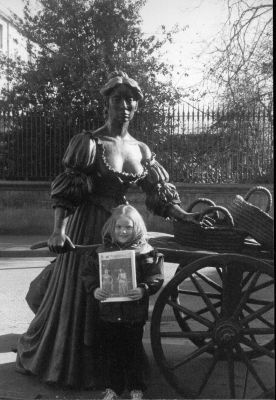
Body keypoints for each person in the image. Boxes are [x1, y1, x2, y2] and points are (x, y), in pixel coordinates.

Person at [16, 70, 200, 388]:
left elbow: (157, 194)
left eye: (131, 100)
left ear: (137, 106)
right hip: (87, 227)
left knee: (119, 296)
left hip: (121, 229)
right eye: (118, 99)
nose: (125, 105)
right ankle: (74, 367)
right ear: (107, 104)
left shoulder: (141, 150)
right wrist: (59, 230)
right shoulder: (89, 142)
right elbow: (69, 188)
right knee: (84, 293)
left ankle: (118, 367)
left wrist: (182, 215)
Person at [82, 204, 164, 400]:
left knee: (133, 351)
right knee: (111, 353)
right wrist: (95, 290)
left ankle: (136, 387)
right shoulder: (101, 251)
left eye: (128, 227)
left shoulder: (146, 251)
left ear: (136, 228)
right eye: (119, 227)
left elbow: (156, 275)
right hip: (108, 313)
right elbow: (88, 274)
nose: (123, 231)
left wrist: (143, 289)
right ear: (112, 227)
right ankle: (114, 388)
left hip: (133, 314)